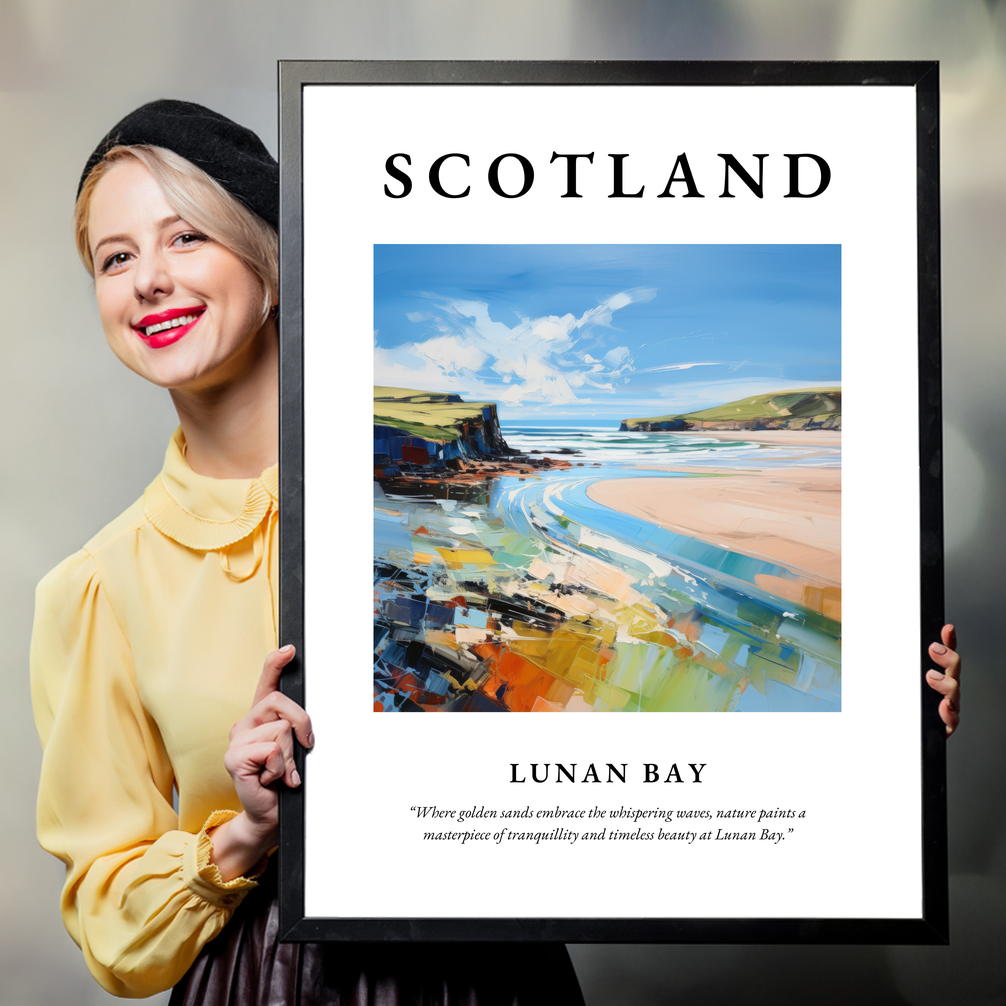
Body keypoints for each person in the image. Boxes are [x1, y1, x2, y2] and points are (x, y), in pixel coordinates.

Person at [30, 100, 586, 1004]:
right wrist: (245, 832)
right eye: (116, 257)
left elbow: (589, 717)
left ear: (273, 263)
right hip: (264, 981)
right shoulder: (97, 587)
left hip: (493, 973)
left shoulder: (425, 506)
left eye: (185, 239)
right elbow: (110, 923)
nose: (148, 281)